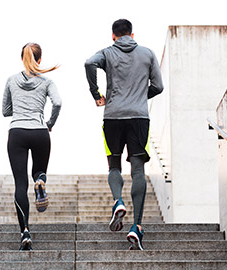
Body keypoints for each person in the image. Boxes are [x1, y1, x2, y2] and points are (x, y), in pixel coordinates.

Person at [84, 19, 163, 250]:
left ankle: (118, 201)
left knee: (114, 165)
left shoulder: (107, 53)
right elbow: (158, 86)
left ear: (113, 36)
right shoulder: (147, 54)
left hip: (112, 117)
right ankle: (136, 226)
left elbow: (89, 63)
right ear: (132, 34)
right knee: (138, 169)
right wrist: (139, 96)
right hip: (139, 118)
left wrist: (96, 93)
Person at [2, 43, 62, 251]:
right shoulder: (47, 81)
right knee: (39, 171)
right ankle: (40, 181)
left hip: (17, 132)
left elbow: (5, 110)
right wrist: (50, 123)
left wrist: (19, 108)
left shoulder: (11, 80)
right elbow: (58, 103)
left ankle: (25, 231)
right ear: (40, 60)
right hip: (39, 131)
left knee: (20, 184)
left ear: (22, 59)